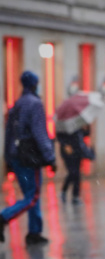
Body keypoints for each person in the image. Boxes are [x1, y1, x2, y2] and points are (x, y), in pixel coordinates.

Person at [1, 71, 57, 245]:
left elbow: (9, 133)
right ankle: (3, 217)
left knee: (30, 195)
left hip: (17, 157)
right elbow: (40, 133)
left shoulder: (17, 104)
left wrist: (8, 158)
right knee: (32, 196)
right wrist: (50, 157)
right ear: (34, 84)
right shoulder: (35, 104)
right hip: (29, 158)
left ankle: (34, 232)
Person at [57, 125, 95, 204]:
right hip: (68, 152)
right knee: (72, 172)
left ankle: (75, 196)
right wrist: (65, 144)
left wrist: (87, 127)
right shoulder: (64, 124)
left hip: (77, 151)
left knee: (77, 174)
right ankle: (64, 191)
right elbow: (59, 136)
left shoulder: (77, 123)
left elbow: (85, 134)